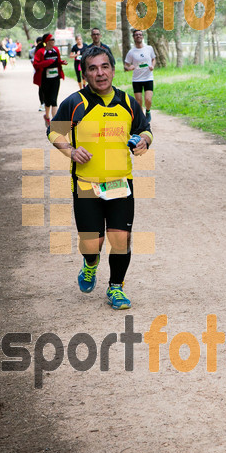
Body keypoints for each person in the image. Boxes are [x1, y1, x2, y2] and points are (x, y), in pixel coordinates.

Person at [47, 46, 153, 310]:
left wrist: (143, 142)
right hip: (86, 184)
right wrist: (70, 151)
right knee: (91, 242)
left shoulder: (128, 102)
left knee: (121, 239)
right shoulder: (74, 102)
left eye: (104, 67)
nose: (100, 73)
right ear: (85, 73)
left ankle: (116, 287)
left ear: (113, 70)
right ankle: (90, 264)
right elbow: (54, 132)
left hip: (120, 183)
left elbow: (146, 131)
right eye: (93, 68)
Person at [33, 33, 67, 127]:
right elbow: (36, 64)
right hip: (45, 78)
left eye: (54, 39)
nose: (53, 41)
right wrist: (48, 62)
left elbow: (58, 60)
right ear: (47, 42)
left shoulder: (56, 50)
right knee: (47, 100)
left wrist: (61, 63)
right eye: (52, 40)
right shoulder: (40, 52)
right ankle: (47, 117)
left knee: (54, 100)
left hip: (55, 78)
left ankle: (55, 122)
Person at [123, 29, 157, 122]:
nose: (138, 36)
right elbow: (126, 65)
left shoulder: (149, 48)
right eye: (136, 35)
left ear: (142, 36)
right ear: (134, 37)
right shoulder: (131, 52)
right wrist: (129, 68)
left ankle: (148, 111)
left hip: (148, 77)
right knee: (138, 101)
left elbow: (153, 59)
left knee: (148, 99)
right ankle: (142, 118)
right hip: (137, 79)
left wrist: (152, 66)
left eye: (140, 34)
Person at [30, 37, 45, 112]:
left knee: (45, 87)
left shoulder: (46, 50)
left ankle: (45, 103)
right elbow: (32, 60)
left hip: (45, 71)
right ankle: (42, 103)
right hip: (38, 71)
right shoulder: (33, 51)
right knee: (41, 87)